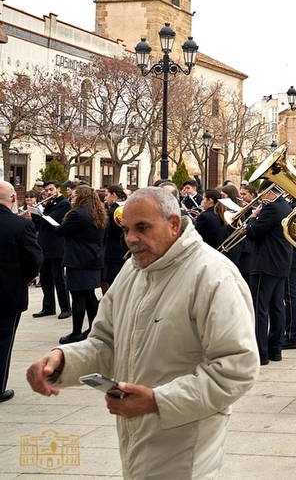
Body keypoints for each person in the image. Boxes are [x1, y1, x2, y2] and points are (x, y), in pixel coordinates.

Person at [26, 186, 258, 479]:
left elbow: (236, 370)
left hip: (185, 447)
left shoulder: (213, 277)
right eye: (125, 229)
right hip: (136, 435)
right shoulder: (133, 270)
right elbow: (106, 342)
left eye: (142, 227)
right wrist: (63, 359)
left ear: (174, 223)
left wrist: (158, 401)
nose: (131, 238)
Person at [0, 181, 43, 404]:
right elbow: (34, 259)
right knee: (3, 340)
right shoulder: (19, 225)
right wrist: (24, 278)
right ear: (14, 199)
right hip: (8, 292)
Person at [245, 185, 293, 365]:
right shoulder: (286, 206)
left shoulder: (271, 207)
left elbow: (254, 233)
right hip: (280, 262)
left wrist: (252, 219)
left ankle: (260, 352)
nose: (260, 196)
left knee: (259, 308)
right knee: (277, 306)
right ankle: (275, 349)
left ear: (269, 192)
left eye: (262, 193)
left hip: (265, 263)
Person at [54, 185, 106, 345]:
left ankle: (76, 332)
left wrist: (55, 224)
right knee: (90, 294)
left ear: (81, 197)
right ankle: (92, 329)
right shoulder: (100, 213)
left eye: (74, 196)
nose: (72, 198)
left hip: (77, 259)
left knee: (77, 295)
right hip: (94, 258)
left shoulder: (76, 214)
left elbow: (61, 231)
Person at [33, 180, 72, 319]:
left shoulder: (64, 204)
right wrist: (33, 213)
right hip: (44, 245)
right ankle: (48, 306)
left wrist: (39, 213)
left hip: (56, 245)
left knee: (59, 278)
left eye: (51, 190)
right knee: (45, 277)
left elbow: (52, 220)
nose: (48, 193)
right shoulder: (48, 203)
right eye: (46, 191)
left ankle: (66, 308)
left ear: (57, 189)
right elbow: (39, 224)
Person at [101, 184, 128, 293]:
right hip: (126, 250)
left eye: (107, 195)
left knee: (112, 283)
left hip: (112, 251)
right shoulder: (128, 207)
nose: (105, 198)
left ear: (114, 195)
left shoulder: (111, 211)